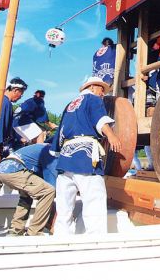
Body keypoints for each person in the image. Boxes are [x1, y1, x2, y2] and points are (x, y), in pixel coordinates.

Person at [54, 77, 120, 235]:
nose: (103, 94)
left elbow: (60, 134)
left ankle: (60, 240)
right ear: (92, 87)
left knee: (64, 207)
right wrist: (112, 135)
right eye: (101, 89)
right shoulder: (93, 99)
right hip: (85, 157)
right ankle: (95, 242)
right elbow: (100, 119)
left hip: (65, 160)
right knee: (94, 201)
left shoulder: (69, 105)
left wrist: (60, 153)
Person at [0, 142, 57, 236]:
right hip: (14, 169)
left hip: (4, 170)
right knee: (48, 191)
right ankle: (34, 231)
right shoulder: (51, 152)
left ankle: (16, 229)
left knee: (26, 195)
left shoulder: (42, 147)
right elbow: (52, 184)